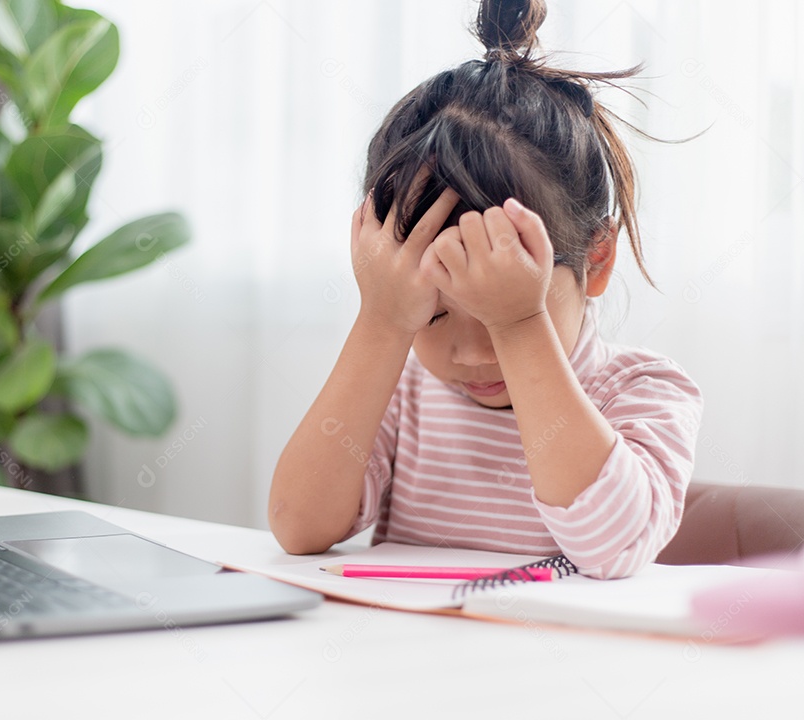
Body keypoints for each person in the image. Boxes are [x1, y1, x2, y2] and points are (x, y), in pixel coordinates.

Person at [268, 0, 702, 579]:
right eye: (435, 316)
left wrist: (521, 329)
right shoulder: (402, 390)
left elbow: (614, 545)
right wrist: (381, 322)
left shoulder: (643, 392)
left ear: (596, 259)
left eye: (502, 306)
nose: (472, 354)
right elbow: (298, 526)